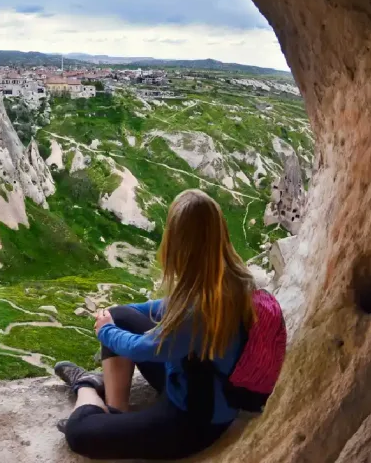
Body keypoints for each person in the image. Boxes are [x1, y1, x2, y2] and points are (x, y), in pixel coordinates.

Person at [53, 189, 258, 460]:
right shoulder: (231, 279)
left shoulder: (197, 311)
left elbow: (145, 348)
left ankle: (87, 386)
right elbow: (165, 308)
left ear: (178, 242)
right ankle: (116, 415)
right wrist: (119, 313)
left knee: (78, 433)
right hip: (195, 382)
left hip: (193, 420)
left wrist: (106, 330)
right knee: (120, 316)